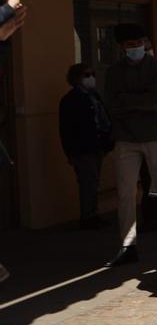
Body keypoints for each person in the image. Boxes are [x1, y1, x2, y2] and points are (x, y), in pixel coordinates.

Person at [103, 23, 157, 267]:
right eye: (129, 45)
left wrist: (129, 101)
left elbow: (155, 101)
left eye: (137, 43)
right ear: (122, 47)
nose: (134, 48)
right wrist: (140, 101)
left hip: (154, 135)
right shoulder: (114, 72)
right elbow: (111, 103)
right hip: (125, 138)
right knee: (125, 194)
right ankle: (127, 245)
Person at [59, 63, 113, 229]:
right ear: (77, 78)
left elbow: (102, 119)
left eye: (92, 74)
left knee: (93, 181)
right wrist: (70, 152)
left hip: (96, 146)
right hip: (81, 149)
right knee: (87, 181)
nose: (91, 78)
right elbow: (66, 129)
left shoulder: (94, 96)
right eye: (86, 75)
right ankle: (88, 217)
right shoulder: (70, 100)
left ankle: (92, 213)